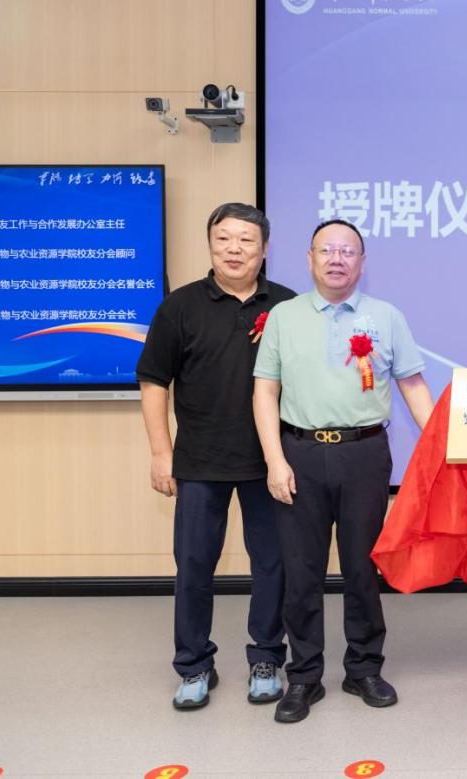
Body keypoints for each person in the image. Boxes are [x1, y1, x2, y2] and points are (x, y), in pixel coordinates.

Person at [253, 219, 434, 723]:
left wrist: (443, 446)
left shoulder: (386, 316)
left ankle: (364, 668)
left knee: (362, 568)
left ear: (362, 262)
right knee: (301, 572)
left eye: (348, 251)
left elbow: (413, 386)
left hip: (364, 454)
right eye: (327, 250)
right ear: (309, 258)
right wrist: (274, 460)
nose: (337, 259)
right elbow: (265, 390)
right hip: (300, 455)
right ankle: (304, 677)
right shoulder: (284, 316)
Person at [137, 202, 295, 710]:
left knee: (273, 565)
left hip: (269, 463)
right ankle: (193, 665)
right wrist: (161, 452)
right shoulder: (179, 306)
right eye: (224, 238)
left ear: (264, 250)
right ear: (210, 244)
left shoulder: (288, 306)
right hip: (199, 460)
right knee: (193, 567)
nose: (234, 249)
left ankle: (266, 657)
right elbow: (153, 380)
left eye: (246, 240)